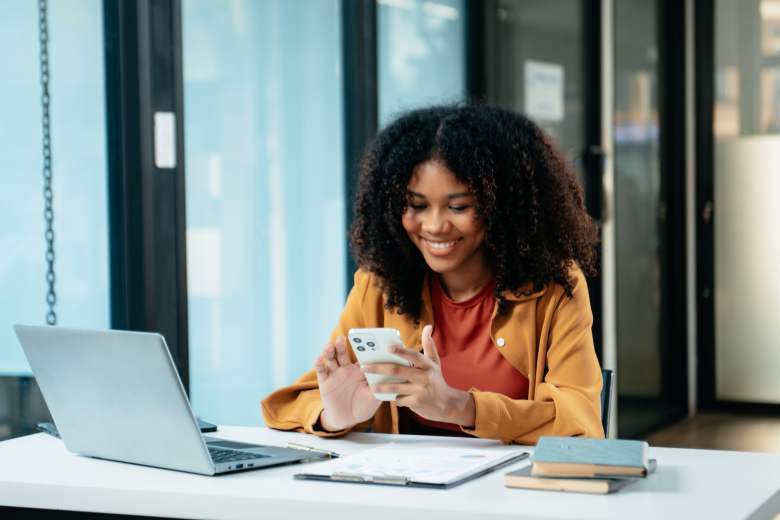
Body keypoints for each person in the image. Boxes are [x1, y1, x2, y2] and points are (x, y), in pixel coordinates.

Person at [261, 104, 604, 444]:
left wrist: (462, 407)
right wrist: (336, 415)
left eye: (458, 207)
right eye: (416, 205)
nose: (435, 225)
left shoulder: (555, 286)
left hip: (514, 493)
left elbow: (580, 421)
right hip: (410, 496)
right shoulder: (379, 287)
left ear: (500, 206)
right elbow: (293, 403)